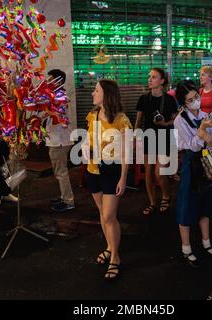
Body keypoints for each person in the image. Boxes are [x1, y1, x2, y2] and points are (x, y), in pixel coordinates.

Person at [86, 80, 131, 280]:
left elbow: (126, 154)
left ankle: (115, 256)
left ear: (107, 95)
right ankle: (109, 245)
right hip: (92, 170)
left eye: (96, 91)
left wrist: (123, 178)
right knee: (101, 213)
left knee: (109, 217)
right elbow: (88, 140)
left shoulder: (122, 120)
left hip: (112, 173)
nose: (92, 94)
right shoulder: (92, 115)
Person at [174, 82, 212, 267]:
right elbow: (185, 145)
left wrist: (208, 137)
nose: (195, 102)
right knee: (187, 204)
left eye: (196, 97)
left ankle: (206, 242)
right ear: (183, 104)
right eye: (190, 100)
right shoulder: (179, 120)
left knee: (205, 203)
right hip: (190, 165)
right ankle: (186, 247)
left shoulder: (205, 115)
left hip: (206, 162)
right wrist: (202, 133)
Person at [135, 68, 178, 216]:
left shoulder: (170, 99)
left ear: (162, 81)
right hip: (148, 137)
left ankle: (166, 196)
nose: (150, 79)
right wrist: (135, 137)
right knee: (148, 173)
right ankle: (153, 202)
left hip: (165, 137)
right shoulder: (143, 98)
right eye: (149, 77)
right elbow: (138, 120)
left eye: (154, 77)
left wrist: (165, 123)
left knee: (160, 173)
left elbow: (175, 119)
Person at [45, 69, 75, 213]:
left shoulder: (61, 97)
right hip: (56, 140)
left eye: (51, 79)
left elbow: (61, 119)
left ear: (59, 81)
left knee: (61, 172)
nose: (48, 82)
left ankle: (68, 201)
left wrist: (47, 110)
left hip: (60, 141)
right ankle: (64, 197)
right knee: (59, 172)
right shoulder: (53, 97)